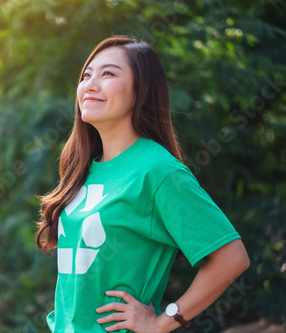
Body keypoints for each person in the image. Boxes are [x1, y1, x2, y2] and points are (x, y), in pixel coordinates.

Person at [36, 35, 250, 333]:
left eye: (108, 73)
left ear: (141, 91)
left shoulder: (158, 170)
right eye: (86, 75)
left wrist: (164, 321)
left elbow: (231, 257)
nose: (90, 84)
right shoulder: (81, 169)